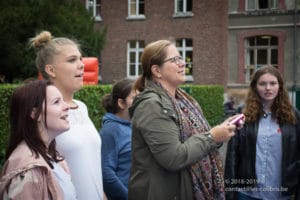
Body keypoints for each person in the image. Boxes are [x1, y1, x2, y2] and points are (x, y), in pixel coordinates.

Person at [127, 39, 238, 200]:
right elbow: (174, 157)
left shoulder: (183, 101)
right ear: (157, 71)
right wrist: (212, 137)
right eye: (174, 60)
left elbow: (197, 139)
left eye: (181, 58)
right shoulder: (151, 105)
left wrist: (221, 131)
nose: (182, 63)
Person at [29, 31, 104, 200]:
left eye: (80, 58)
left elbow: (90, 164)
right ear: (51, 70)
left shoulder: (82, 107)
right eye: (72, 60)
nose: (81, 64)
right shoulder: (42, 113)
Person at [225, 66, 300, 200]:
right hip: (247, 193)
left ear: (280, 86)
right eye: (262, 83)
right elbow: (232, 155)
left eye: (273, 83)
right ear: (255, 87)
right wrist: (229, 190)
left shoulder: (293, 116)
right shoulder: (243, 114)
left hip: (280, 193)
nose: (268, 88)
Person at [0, 80, 77, 199]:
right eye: (56, 102)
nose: (67, 106)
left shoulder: (48, 157)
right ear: (35, 113)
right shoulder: (28, 172)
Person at [100, 78, 137, 200]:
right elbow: (107, 173)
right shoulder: (111, 130)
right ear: (121, 103)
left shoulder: (134, 125)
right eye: (135, 98)